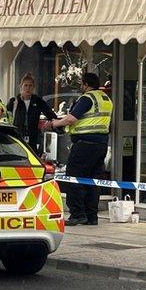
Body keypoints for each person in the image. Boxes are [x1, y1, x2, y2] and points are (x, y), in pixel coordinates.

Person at [49, 72, 112, 226]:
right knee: (93, 181)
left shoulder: (87, 98)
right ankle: (92, 216)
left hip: (84, 144)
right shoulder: (106, 99)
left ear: (85, 84)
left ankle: (77, 214)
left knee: (73, 177)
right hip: (101, 144)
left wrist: (55, 124)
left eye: (81, 85)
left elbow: (72, 118)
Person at [6, 73, 57, 152]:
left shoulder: (38, 101)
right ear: (21, 87)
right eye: (25, 85)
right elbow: (6, 117)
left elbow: (52, 116)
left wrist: (49, 124)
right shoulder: (14, 101)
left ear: (33, 88)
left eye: (30, 86)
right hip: (17, 137)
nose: (28, 88)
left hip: (33, 138)